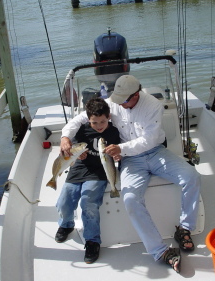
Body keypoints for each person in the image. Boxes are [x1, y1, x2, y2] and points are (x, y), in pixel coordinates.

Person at [61, 75, 201, 273]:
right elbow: (80, 119)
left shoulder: (153, 105)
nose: (119, 103)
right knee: (130, 198)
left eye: (124, 99)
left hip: (155, 152)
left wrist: (121, 148)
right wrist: (65, 137)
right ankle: (159, 250)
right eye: (117, 98)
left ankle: (185, 228)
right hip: (130, 160)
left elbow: (149, 140)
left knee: (192, 176)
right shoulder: (114, 102)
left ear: (136, 95)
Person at [55, 98, 120, 264]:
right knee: (64, 200)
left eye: (103, 121)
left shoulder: (113, 132)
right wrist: (77, 154)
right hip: (79, 169)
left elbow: (119, 152)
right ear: (87, 119)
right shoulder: (81, 129)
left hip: (99, 171)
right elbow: (72, 150)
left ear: (109, 117)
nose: (99, 126)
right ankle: (66, 224)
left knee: (88, 202)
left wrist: (118, 154)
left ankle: (92, 241)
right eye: (94, 122)